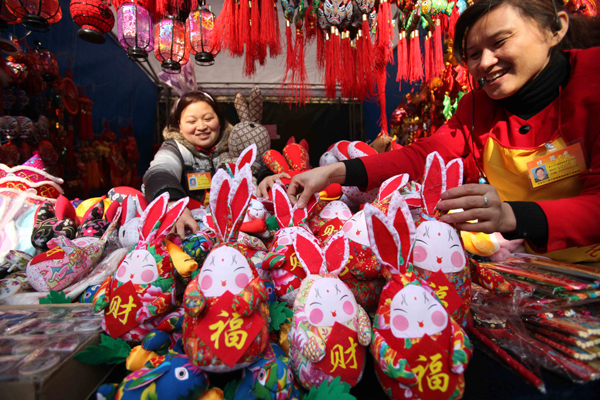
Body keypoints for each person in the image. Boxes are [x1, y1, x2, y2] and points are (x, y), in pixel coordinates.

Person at [283, 0, 600, 263]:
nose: (486, 62)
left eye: (500, 42)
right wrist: (331, 173)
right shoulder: (477, 108)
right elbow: (421, 156)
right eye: (474, 54)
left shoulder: (593, 85)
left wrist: (510, 216)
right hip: (542, 270)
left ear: (555, 29)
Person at [144, 91, 231, 237]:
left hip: (232, 226)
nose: (202, 126)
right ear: (179, 125)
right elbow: (159, 172)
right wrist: (172, 203)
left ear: (220, 120)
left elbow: (256, 168)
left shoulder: (235, 145)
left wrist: (265, 176)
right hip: (191, 229)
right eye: (192, 121)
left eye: (208, 118)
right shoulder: (175, 148)